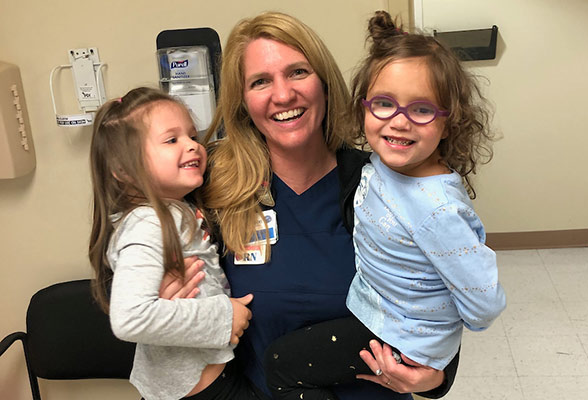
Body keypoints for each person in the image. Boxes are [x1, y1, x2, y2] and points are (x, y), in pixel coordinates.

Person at [159, 11, 460, 400]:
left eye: (298, 72)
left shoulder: (381, 185)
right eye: (261, 81)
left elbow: (439, 296)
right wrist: (168, 300)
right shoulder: (214, 190)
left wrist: (437, 377)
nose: (283, 95)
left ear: (324, 83)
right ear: (243, 101)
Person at [262, 11, 506, 400]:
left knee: (281, 365)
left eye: (422, 109)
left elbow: (482, 299)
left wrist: (435, 361)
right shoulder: (381, 166)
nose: (399, 122)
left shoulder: (434, 208)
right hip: (382, 322)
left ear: (450, 121)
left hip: (398, 336)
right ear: (364, 106)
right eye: (384, 104)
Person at [88, 87, 266, 400]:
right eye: (172, 140)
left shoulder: (174, 208)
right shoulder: (147, 223)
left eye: (192, 136)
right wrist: (224, 317)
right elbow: (130, 318)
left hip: (211, 379)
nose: (193, 146)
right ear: (124, 169)